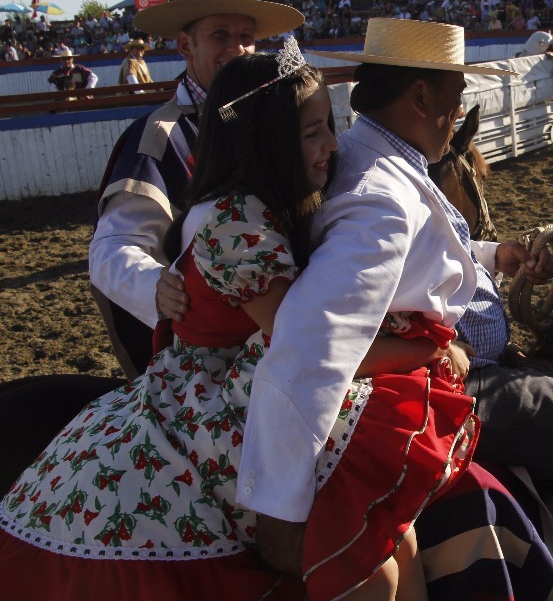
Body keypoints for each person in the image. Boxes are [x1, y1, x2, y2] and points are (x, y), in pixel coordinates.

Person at [233, 17, 553, 601]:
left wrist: (490, 254)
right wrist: (274, 503)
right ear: (421, 96)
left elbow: (410, 251)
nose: (458, 116)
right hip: (453, 383)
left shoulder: (368, 153)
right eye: (455, 101)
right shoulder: (380, 201)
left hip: (451, 363)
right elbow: (309, 343)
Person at [0, 44, 479, 601]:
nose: (333, 145)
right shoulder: (231, 221)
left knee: (397, 539)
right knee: (368, 564)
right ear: (269, 140)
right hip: (213, 392)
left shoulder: (283, 198)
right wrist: (427, 349)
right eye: (312, 133)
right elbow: (306, 344)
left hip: (242, 368)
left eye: (331, 126)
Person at [88, 0, 303, 379]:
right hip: (209, 351)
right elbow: (111, 250)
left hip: (275, 321)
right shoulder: (159, 136)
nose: (237, 48)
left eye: (246, 36)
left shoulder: (273, 121)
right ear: (186, 46)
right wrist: (155, 285)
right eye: (220, 35)